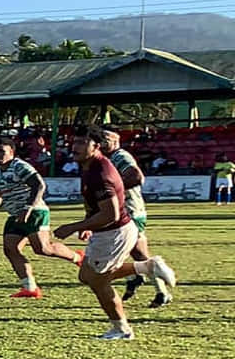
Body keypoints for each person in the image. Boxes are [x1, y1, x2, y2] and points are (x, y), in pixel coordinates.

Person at [53, 126, 178, 340]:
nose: (74, 147)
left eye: (82, 143)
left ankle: (122, 329)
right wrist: (87, 225)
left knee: (98, 283)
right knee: (86, 276)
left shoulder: (100, 173)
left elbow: (109, 214)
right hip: (109, 231)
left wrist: (75, 226)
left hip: (113, 233)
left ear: (96, 146)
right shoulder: (92, 167)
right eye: (74, 142)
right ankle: (148, 266)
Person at [0, 138, 82, 299]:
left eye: (2, 151)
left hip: (35, 212)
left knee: (43, 249)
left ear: (12, 153)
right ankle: (30, 287)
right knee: (10, 249)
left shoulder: (19, 166)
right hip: (15, 214)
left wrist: (28, 208)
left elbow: (39, 185)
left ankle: (77, 257)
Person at [99, 130, 169, 307]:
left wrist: (114, 191)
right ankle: (135, 278)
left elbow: (137, 177)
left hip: (130, 211)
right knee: (122, 249)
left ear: (116, 141)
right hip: (119, 211)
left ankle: (160, 291)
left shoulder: (120, 156)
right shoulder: (103, 159)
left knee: (138, 254)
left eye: (106, 139)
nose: (102, 142)